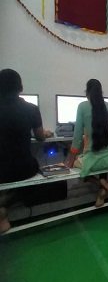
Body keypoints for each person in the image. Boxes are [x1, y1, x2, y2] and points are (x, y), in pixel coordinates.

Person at [0, 69, 52, 232]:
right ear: (20, 87)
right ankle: (3, 206)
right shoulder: (31, 108)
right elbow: (40, 137)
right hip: (23, 168)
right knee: (36, 170)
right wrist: (45, 132)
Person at [67, 79, 108, 208]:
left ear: (87, 92)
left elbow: (77, 138)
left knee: (75, 166)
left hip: (92, 161)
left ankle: (101, 183)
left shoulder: (82, 107)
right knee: (101, 159)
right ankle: (103, 186)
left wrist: (70, 161)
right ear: (101, 92)